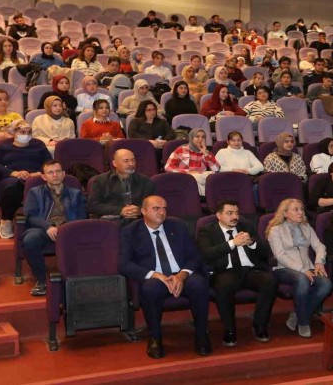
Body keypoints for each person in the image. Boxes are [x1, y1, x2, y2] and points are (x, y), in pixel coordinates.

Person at [119, 195, 212, 358]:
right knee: (150, 288)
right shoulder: (131, 231)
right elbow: (124, 264)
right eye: (156, 209)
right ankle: (155, 337)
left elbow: (195, 256)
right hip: (155, 277)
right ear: (143, 211)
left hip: (181, 273)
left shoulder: (178, 226)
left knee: (199, 284)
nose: (162, 213)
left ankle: (201, 334)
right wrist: (156, 275)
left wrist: (182, 275)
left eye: (164, 209)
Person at [196, 200, 277, 346]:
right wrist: (233, 243)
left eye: (237, 213)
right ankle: (230, 330)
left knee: (269, 281)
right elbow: (206, 254)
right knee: (224, 285)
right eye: (229, 213)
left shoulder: (246, 226)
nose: (235, 217)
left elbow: (265, 252)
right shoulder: (207, 230)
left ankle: (260, 325)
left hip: (249, 269)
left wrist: (252, 243)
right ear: (219, 215)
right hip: (224, 271)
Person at [266, 198, 331, 338]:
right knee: (302, 279)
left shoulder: (307, 227)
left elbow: (319, 246)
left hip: (308, 267)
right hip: (283, 269)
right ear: (285, 213)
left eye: (301, 209)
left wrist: (319, 262)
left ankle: (298, 314)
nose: (300, 212)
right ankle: (303, 322)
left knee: (326, 284)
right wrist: (302, 269)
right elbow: (280, 255)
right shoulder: (275, 230)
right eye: (296, 210)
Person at [21, 160, 87, 296]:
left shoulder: (75, 193)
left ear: (63, 174)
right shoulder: (35, 192)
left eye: (58, 171)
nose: (55, 175)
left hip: (69, 229)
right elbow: (30, 216)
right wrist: (48, 227)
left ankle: (77, 280)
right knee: (30, 239)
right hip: (44, 229)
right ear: (44, 177)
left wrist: (65, 229)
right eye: (50, 172)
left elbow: (82, 216)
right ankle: (42, 279)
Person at [0, 120, 52, 239]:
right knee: (13, 187)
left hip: (35, 176)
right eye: (22, 132)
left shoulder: (38, 144)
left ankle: (43, 222)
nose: (26, 135)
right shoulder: (3, 145)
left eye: (29, 132)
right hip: (12, 177)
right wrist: (14, 173)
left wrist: (39, 173)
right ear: (14, 132)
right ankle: (6, 221)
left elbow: (49, 162)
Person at [87, 149, 156, 224]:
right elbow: (92, 206)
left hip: (138, 221)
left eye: (133, 160)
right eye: (126, 161)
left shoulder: (145, 181)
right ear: (115, 163)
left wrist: (138, 209)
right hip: (111, 222)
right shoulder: (100, 181)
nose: (131, 164)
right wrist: (120, 210)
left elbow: (153, 203)